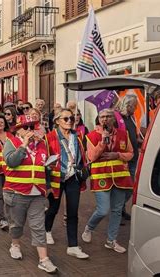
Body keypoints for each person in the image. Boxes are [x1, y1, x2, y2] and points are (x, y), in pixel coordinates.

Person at [3, 117, 58, 273]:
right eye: (26, 127)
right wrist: (24, 145)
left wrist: (49, 168)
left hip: (37, 193)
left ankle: (44, 259)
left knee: (38, 226)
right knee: (17, 223)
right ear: (18, 129)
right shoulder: (11, 142)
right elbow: (11, 162)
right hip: (16, 191)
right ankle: (15, 244)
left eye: (32, 127)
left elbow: (43, 166)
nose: (30, 130)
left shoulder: (42, 144)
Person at [82, 108, 133, 253]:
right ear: (98, 119)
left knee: (117, 210)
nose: (105, 119)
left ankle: (111, 241)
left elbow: (130, 153)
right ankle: (89, 228)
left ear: (113, 119)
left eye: (108, 116)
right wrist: (103, 142)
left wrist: (117, 155)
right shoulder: (91, 136)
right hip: (101, 177)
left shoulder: (124, 134)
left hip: (120, 177)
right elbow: (91, 157)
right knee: (103, 210)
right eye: (102, 117)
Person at [44, 108, 90, 259]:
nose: (70, 121)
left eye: (71, 118)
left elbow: (82, 156)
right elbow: (45, 163)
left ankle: (73, 246)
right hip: (56, 178)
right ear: (57, 121)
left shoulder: (77, 136)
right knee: (53, 208)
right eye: (65, 119)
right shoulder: (49, 137)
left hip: (73, 179)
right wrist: (48, 184)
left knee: (73, 212)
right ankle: (47, 230)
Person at [115, 94, 140, 221]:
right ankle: (117, 211)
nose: (135, 108)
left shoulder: (132, 118)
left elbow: (133, 136)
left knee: (130, 186)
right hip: (123, 158)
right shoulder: (117, 117)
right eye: (134, 106)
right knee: (123, 186)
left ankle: (119, 208)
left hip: (133, 156)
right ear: (128, 105)